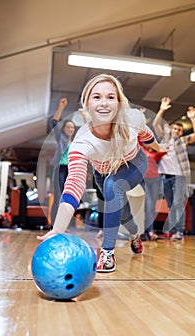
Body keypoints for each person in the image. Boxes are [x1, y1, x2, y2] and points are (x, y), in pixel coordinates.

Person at [38, 74, 161, 273]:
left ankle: (107, 252)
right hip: (102, 172)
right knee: (122, 210)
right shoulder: (81, 142)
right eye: (97, 97)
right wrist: (58, 229)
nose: (104, 103)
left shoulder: (133, 118)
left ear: (119, 102)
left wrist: (159, 147)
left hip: (134, 163)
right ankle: (134, 234)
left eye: (110, 97)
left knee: (113, 186)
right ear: (86, 103)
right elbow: (74, 183)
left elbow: (147, 136)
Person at [153, 97, 195, 241]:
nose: (176, 131)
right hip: (165, 176)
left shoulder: (182, 141)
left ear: (181, 133)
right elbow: (156, 124)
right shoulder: (164, 139)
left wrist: (193, 118)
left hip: (179, 176)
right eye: (175, 128)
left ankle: (179, 232)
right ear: (171, 129)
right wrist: (162, 109)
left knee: (178, 203)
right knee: (170, 205)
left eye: (179, 130)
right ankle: (173, 230)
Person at [50, 98, 76, 225]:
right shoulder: (61, 138)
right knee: (58, 197)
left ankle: (64, 225)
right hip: (60, 169)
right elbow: (54, 122)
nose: (70, 129)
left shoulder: (76, 143)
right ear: (64, 129)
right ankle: (54, 225)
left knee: (67, 199)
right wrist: (61, 107)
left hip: (71, 171)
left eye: (72, 127)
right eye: (68, 127)